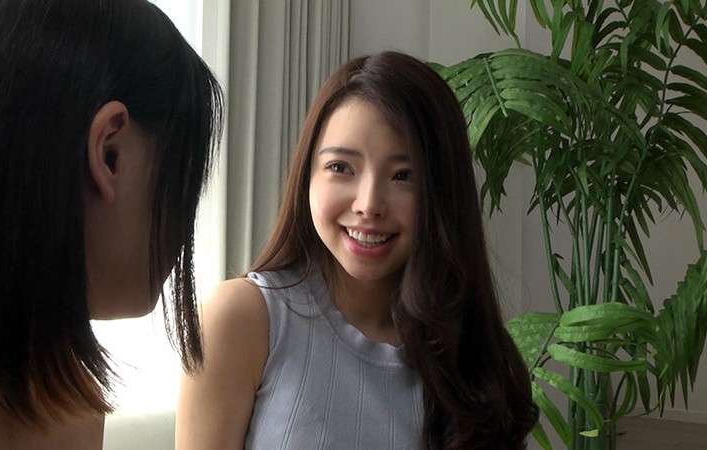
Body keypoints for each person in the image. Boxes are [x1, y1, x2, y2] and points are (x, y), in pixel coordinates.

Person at [175, 51, 538, 450]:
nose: (369, 205)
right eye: (341, 167)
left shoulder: (477, 362)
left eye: (404, 175)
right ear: (307, 174)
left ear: (443, 193)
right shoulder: (239, 320)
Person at [0, 0, 222, 448]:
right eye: (184, 181)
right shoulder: (67, 413)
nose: (184, 221)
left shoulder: (70, 403)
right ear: (109, 153)